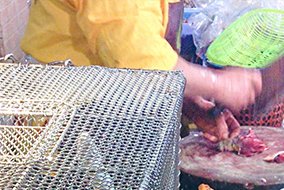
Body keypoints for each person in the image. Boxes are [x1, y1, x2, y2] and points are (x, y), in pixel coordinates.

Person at [20, 0, 263, 142]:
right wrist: (219, 84)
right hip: (65, 124)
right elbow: (139, 58)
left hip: (103, 105)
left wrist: (187, 101)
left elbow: (145, 33)